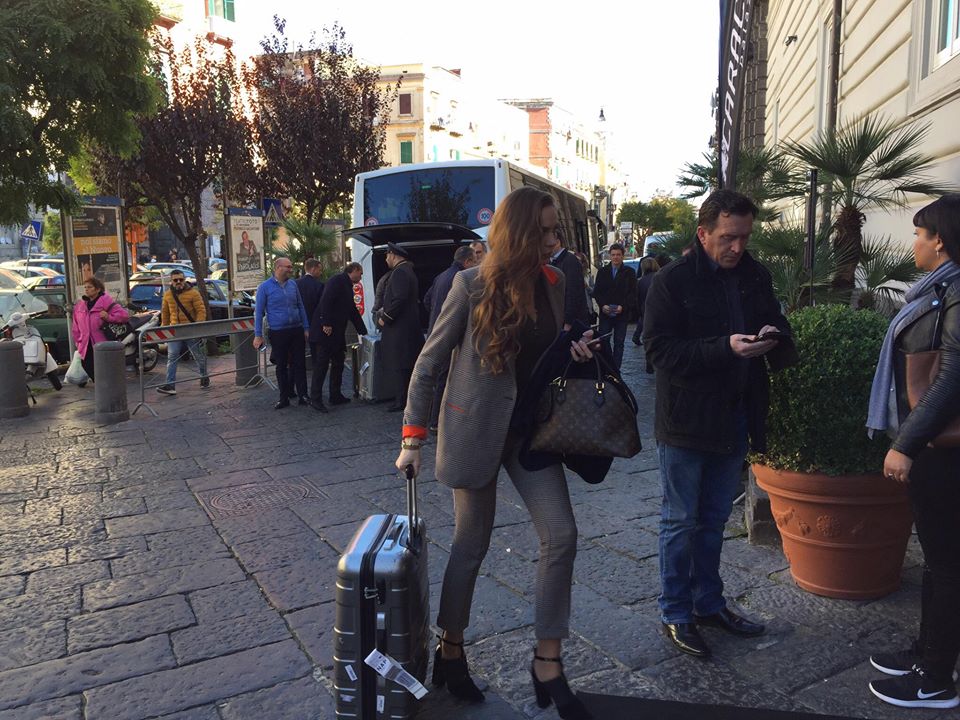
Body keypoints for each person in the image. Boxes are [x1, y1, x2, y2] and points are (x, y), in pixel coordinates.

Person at [395, 186, 599, 720]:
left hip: (530, 432)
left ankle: (548, 661)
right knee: (471, 544)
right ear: (520, 233)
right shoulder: (469, 285)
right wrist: (412, 440)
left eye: (555, 232)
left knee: (562, 534)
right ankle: (451, 650)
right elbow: (429, 363)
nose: (553, 241)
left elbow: (547, 355)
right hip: (474, 428)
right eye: (545, 232)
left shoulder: (555, 282)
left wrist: (575, 351)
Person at [643, 189, 797, 660]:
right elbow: (658, 352)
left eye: (744, 237)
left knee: (712, 521)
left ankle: (708, 604)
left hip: (735, 414)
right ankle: (676, 611)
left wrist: (773, 336)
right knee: (680, 521)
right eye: (728, 237)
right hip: (685, 421)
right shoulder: (672, 281)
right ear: (703, 233)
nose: (737, 247)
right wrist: (724, 348)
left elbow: (776, 321)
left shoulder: (755, 274)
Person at [865, 194, 960, 710]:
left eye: (919, 234)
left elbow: (951, 381)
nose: (914, 244)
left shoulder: (957, 292)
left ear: (940, 241)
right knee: (938, 559)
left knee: (947, 564)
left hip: (943, 449)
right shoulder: (942, 288)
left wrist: (906, 444)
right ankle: (927, 654)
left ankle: (936, 680)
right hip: (935, 445)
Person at [423, 245, 477, 431]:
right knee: (444, 379)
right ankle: (436, 422)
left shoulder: (441, 276)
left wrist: (436, 317)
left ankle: (432, 418)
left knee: (436, 376)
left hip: (435, 331)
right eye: (474, 261)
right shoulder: (463, 279)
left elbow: (427, 300)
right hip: (450, 334)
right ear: (467, 261)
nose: (476, 265)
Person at [253, 257, 310, 409]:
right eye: (288, 267)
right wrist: (258, 335)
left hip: (296, 329)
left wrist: (306, 327)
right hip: (278, 332)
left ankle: (303, 395)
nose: (291, 269)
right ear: (278, 267)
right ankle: (283, 397)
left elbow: (300, 306)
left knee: (300, 363)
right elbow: (258, 312)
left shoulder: (293, 284)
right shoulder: (265, 287)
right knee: (281, 365)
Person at [310, 262, 367, 412]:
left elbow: (351, 309)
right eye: (360, 273)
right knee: (322, 365)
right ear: (354, 270)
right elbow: (326, 300)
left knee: (338, 362)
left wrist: (362, 330)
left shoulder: (346, 284)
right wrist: (326, 322)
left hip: (336, 332)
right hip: (327, 332)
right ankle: (315, 399)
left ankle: (335, 395)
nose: (361, 276)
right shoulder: (337, 281)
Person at [378, 242, 424, 412]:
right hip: (407, 327)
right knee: (405, 364)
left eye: (387, 255)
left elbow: (399, 298)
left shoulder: (400, 273)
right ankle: (404, 398)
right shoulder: (407, 271)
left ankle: (401, 400)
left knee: (401, 364)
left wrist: (385, 317)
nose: (386, 259)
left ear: (393, 255)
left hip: (400, 328)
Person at [156, 269, 208, 395]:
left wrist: (198, 327)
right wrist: (163, 330)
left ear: (185, 280)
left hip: (190, 330)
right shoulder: (168, 295)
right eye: (176, 280)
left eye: (181, 279)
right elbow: (165, 314)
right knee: (172, 356)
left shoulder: (193, 293)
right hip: (174, 330)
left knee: (197, 355)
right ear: (171, 281)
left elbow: (201, 311)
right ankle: (170, 385)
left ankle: (204, 376)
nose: (179, 282)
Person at [71, 277, 129, 384]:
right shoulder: (81, 305)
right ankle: (101, 386)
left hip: (102, 343)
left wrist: (108, 317)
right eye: (85, 287)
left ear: (98, 289)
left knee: (103, 368)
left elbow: (124, 316)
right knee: (87, 366)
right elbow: (75, 325)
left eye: (90, 287)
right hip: (85, 344)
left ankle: (105, 387)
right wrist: (78, 341)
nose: (86, 289)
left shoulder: (106, 301)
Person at [591, 243, 636, 369]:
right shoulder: (602, 272)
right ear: (610, 256)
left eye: (618, 255)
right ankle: (607, 366)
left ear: (622, 256)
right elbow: (597, 292)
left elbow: (633, 293)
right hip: (606, 313)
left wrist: (623, 306)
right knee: (604, 341)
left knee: (619, 343)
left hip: (622, 314)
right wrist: (602, 305)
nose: (615, 257)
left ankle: (616, 369)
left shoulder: (629, 272)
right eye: (613, 255)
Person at [549, 232, 591, 330]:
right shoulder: (550, 261)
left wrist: (568, 321)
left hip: (572, 322)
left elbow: (573, 293)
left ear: (557, 242)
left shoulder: (570, 261)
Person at [631, 257, 660, 347]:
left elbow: (637, 297)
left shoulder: (640, 281)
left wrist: (639, 310)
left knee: (644, 322)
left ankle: (638, 337)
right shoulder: (660, 277)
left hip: (645, 307)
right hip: (658, 306)